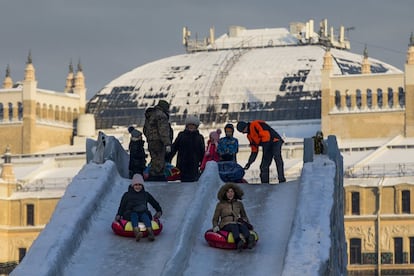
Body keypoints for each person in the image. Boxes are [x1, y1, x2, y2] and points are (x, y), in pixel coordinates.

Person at [114, 174, 162, 242]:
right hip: (131, 212)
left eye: (140, 185)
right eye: (136, 185)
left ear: (142, 186)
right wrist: (119, 214)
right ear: (133, 185)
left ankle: (150, 232)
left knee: (145, 217)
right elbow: (122, 206)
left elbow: (154, 203)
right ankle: (137, 232)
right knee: (134, 216)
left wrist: (159, 211)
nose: (138, 187)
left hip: (143, 212)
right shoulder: (127, 195)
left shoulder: (145, 194)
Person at [212, 183, 255, 251]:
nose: (230, 194)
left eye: (232, 191)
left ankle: (249, 239)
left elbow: (244, 216)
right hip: (225, 224)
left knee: (241, 226)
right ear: (224, 193)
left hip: (237, 222)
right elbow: (215, 219)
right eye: (228, 192)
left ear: (235, 192)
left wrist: (247, 224)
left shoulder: (239, 204)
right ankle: (238, 241)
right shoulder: (220, 205)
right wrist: (215, 226)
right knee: (233, 226)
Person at [169, 115, 205, 182]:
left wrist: (203, 164)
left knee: (193, 183)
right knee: (183, 184)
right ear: (187, 126)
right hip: (182, 164)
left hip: (194, 165)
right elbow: (174, 147)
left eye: (193, 125)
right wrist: (168, 157)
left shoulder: (199, 137)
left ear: (196, 126)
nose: (191, 126)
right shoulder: (181, 135)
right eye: (189, 125)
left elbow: (202, 152)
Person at [143, 100, 172, 181]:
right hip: (159, 141)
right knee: (160, 159)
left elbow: (145, 129)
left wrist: (149, 138)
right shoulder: (161, 116)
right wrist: (167, 143)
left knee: (154, 158)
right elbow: (163, 131)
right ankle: (157, 177)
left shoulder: (150, 115)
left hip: (151, 141)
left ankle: (152, 175)